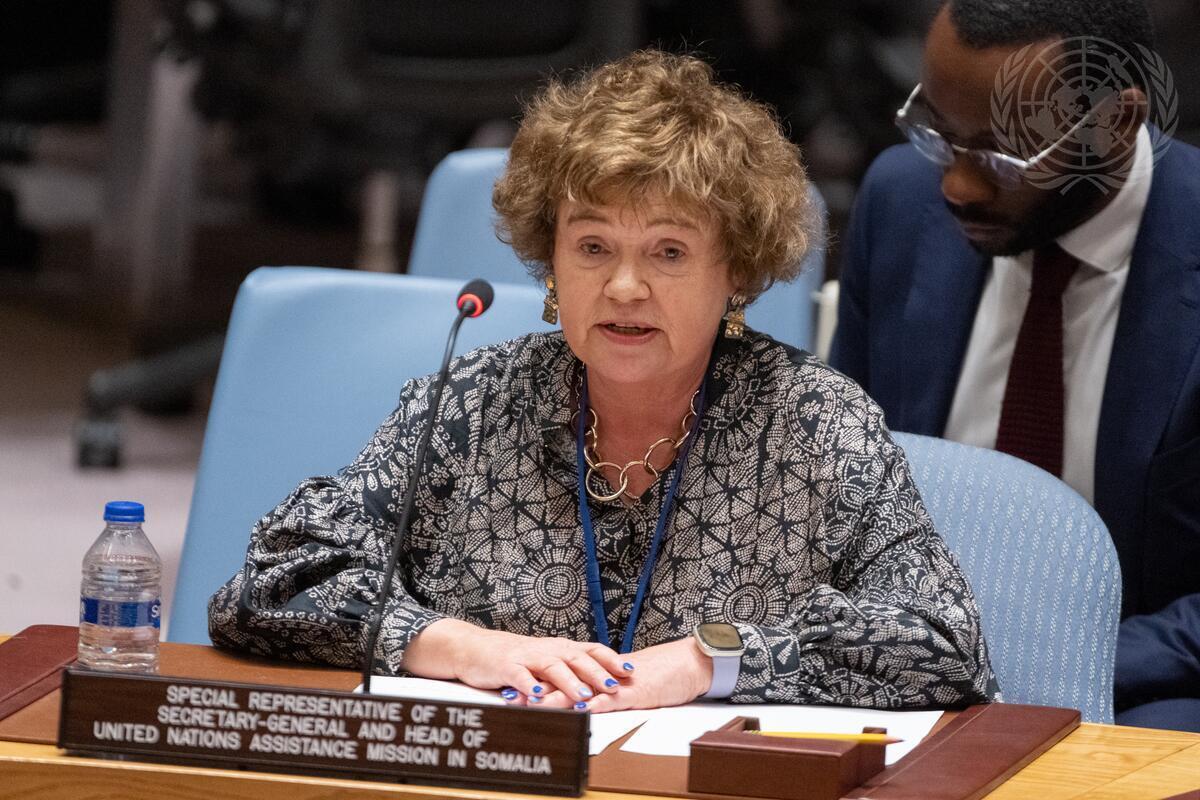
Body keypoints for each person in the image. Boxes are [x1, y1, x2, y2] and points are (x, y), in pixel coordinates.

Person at [210, 50, 997, 712]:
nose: (623, 287)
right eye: (592, 248)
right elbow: (267, 584)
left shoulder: (818, 424)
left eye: (668, 252)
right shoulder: (470, 406)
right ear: (551, 260)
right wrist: (459, 645)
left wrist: (706, 661)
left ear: (737, 273)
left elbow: (946, 644)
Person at [830, 0, 1200, 731]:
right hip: (898, 677)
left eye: (1004, 156)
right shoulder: (899, 202)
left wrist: (1047, 665)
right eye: (940, 135)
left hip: (1140, 686)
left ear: (1115, 123)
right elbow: (842, 492)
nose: (958, 186)